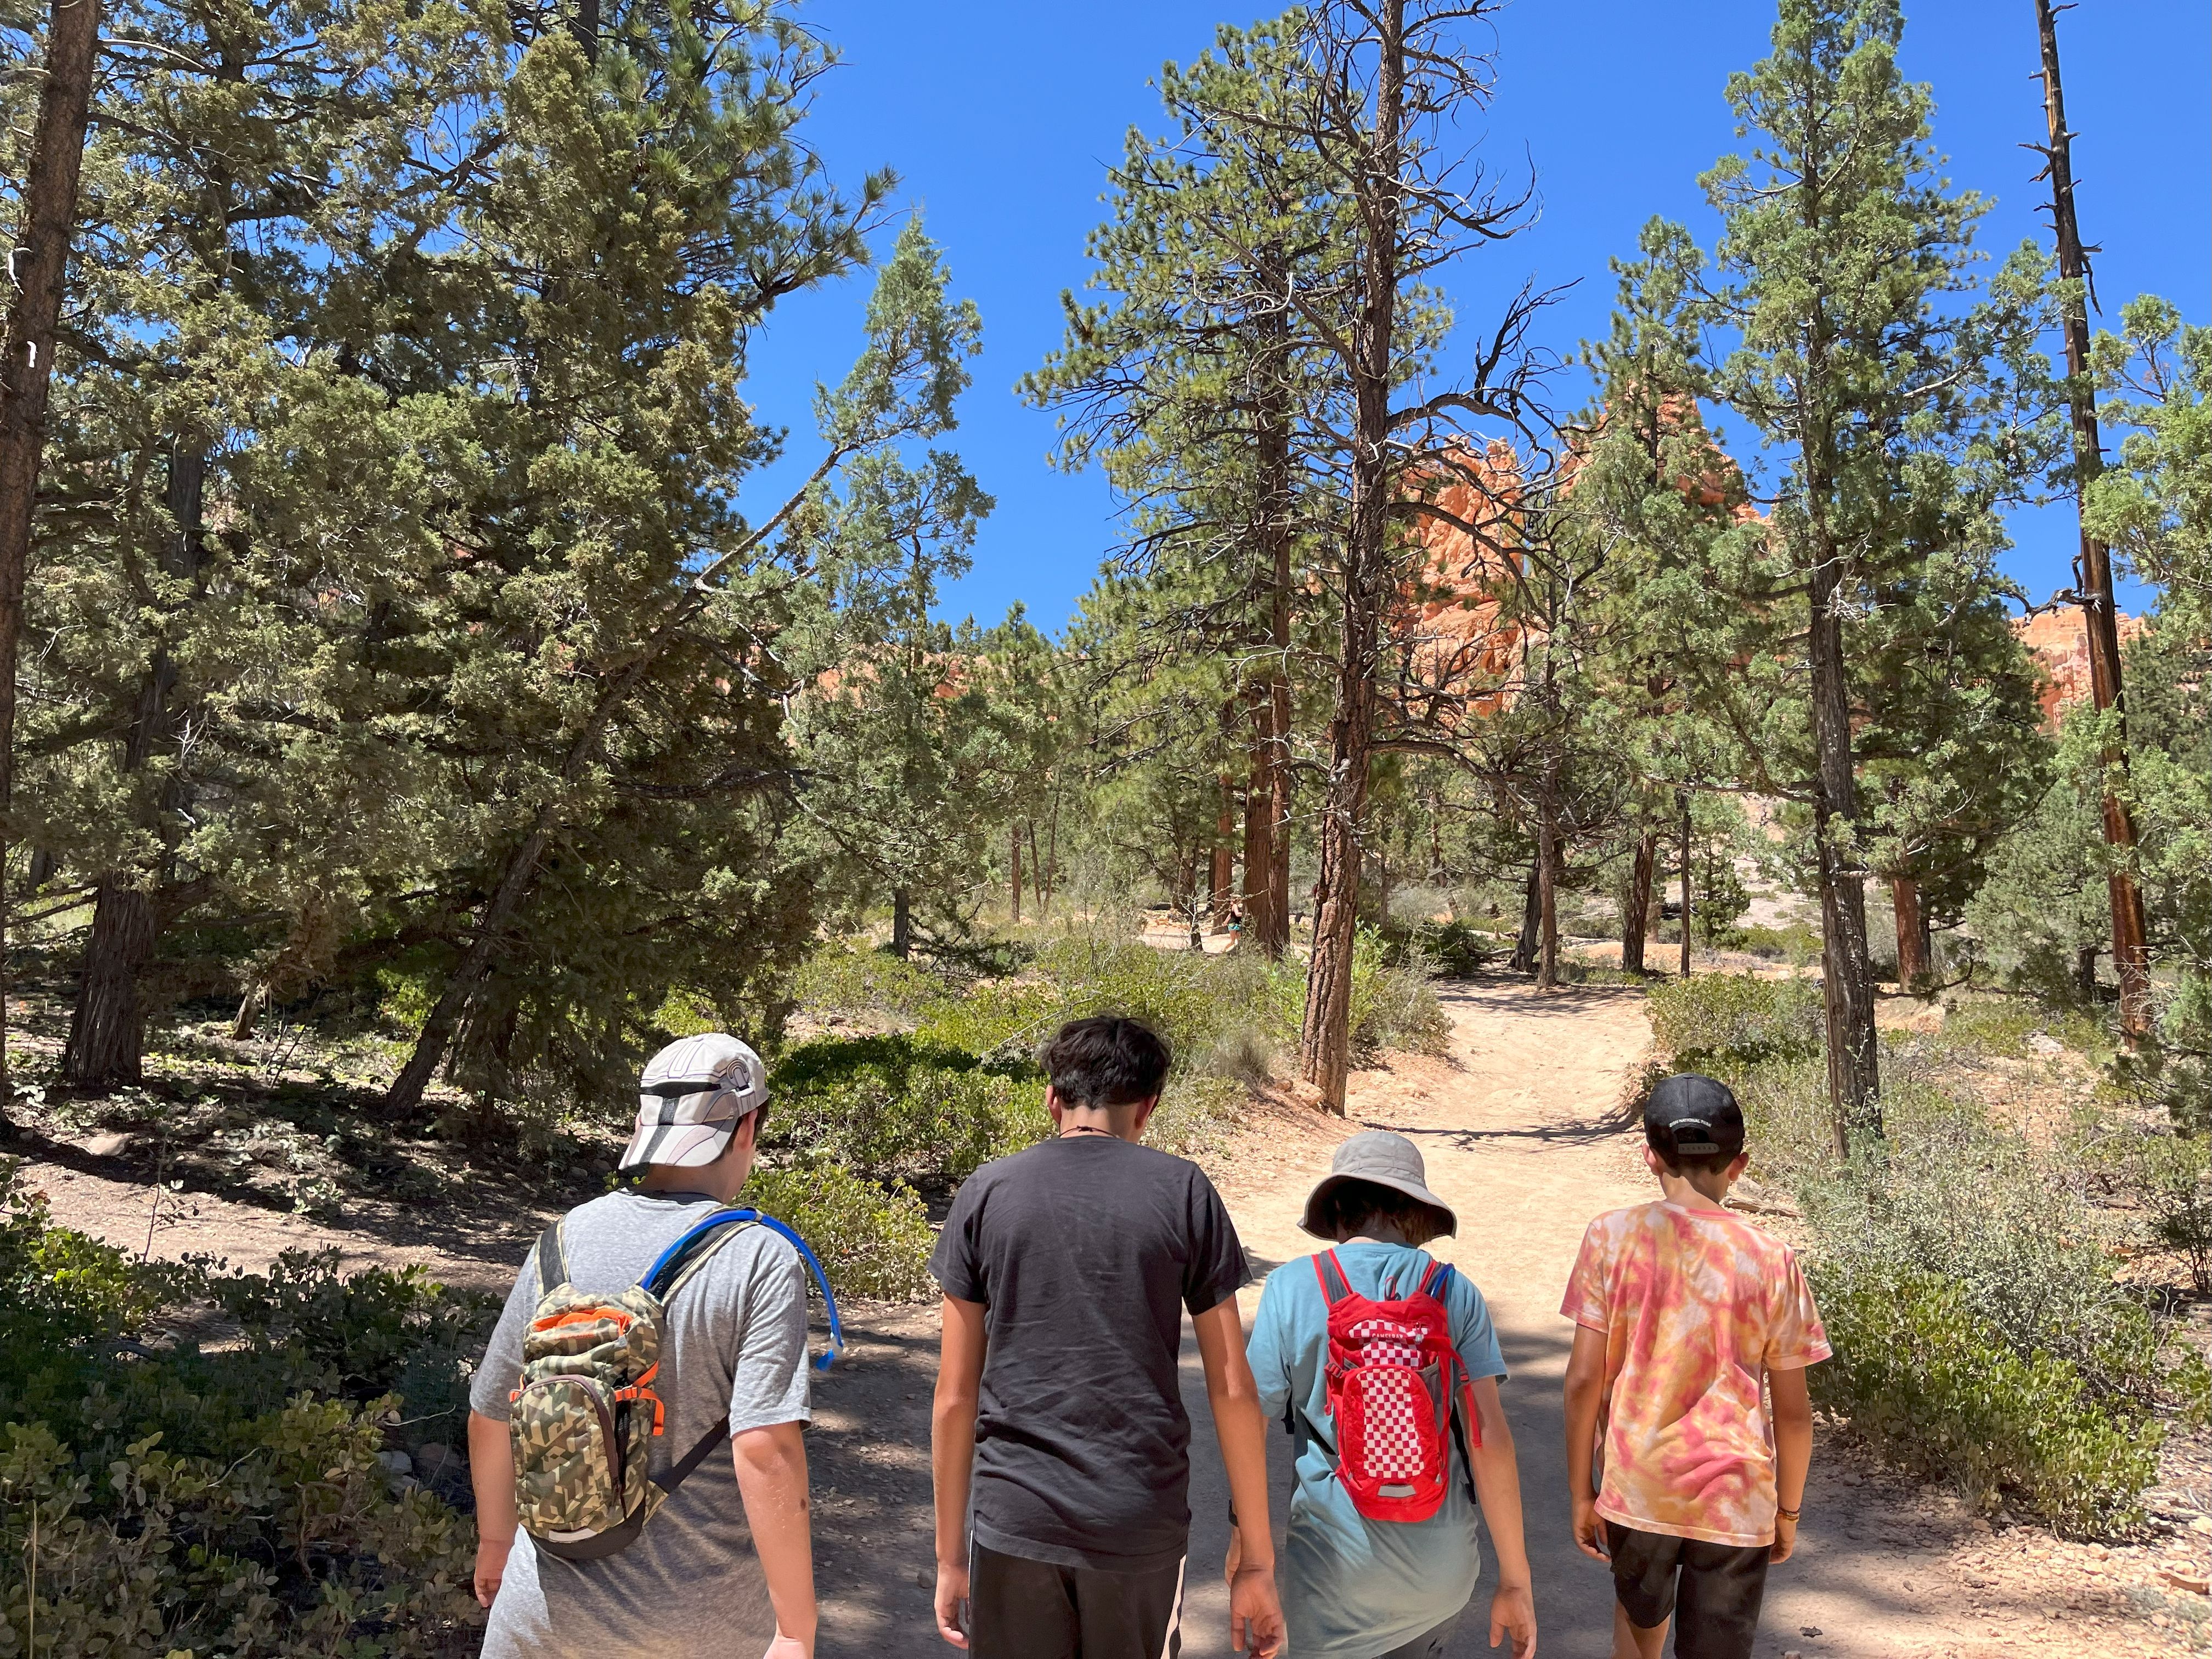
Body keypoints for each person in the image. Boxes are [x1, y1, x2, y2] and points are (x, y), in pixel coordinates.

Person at [929, 1015, 1285, 1659]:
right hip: (1138, 1520)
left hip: (1015, 1517)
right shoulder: (1184, 1191)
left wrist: (950, 1556)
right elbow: (1234, 1389)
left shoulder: (987, 1192)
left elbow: (955, 1396)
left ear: (1052, 1099)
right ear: (1148, 1108)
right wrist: (1255, 1558)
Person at [468, 1033, 819, 1659]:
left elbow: (492, 1413)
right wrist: (795, 1629)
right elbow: (765, 1447)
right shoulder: (759, 1256)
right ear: (747, 1129)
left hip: (537, 1614)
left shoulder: (561, 1240)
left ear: (642, 1124)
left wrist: (496, 1544)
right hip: (695, 1626)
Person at [1561, 1073, 1829, 1659]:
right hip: (1735, 1496)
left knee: (1636, 1634)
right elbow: (1793, 1414)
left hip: (1639, 1487)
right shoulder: (1772, 1258)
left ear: (1650, 1156)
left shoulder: (1610, 1237)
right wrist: (1787, 1512)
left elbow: (1582, 1381)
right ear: (1739, 1165)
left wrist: (1583, 1491)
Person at [1246, 1131, 1538, 1659]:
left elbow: (1249, 1422)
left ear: (1337, 1209)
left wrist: (1247, 1551)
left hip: (1332, 1572)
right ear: (1417, 1214)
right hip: (1439, 1572)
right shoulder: (1455, 1292)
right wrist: (1516, 1581)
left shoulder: (1291, 1286)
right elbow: (1488, 1440)